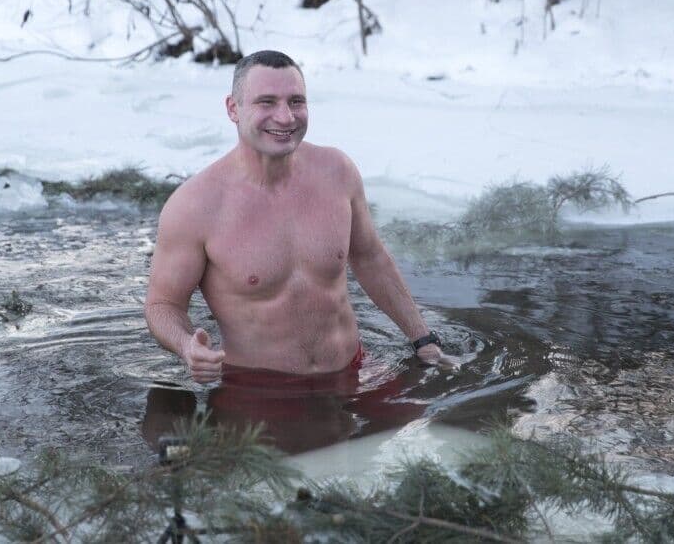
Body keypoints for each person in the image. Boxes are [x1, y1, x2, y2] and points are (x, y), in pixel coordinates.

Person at [144, 50, 454, 388]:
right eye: (266, 102)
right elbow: (163, 304)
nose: (285, 117)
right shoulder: (195, 205)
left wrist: (422, 339)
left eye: (296, 102)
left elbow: (370, 259)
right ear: (233, 108)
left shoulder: (337, 172)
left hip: (354, 370)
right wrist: (187, 346)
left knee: (427, 417)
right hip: (258, 390)